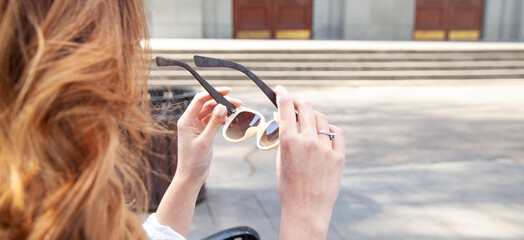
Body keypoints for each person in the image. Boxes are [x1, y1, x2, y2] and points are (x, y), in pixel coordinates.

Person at [0, 0, 345, 239]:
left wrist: (187, 176)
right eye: (118, 50)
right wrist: (306, 218)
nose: (125, 83)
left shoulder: (42, 193)